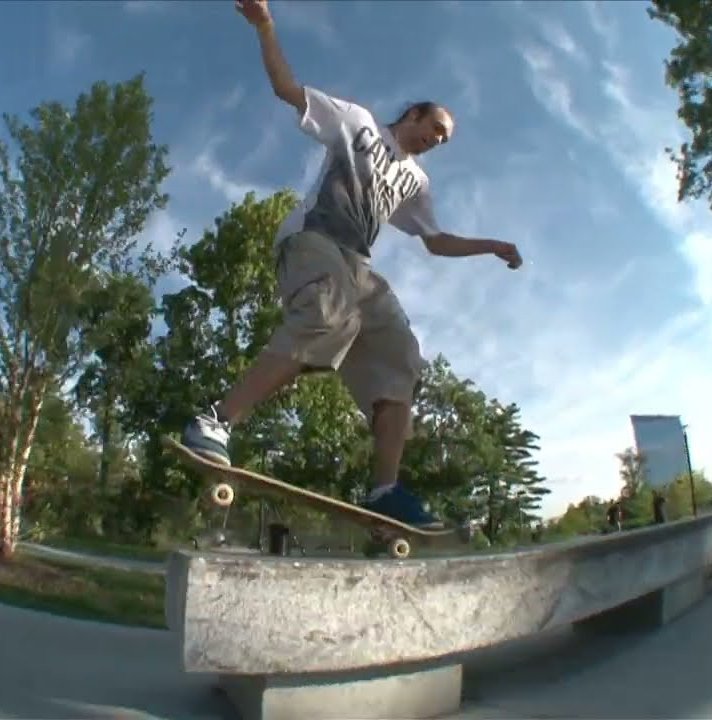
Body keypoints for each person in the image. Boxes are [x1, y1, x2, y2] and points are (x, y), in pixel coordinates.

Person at [180, 0, 523, 529]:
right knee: (330, 315)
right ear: (413, 115)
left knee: (402, 355)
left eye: (444, 140)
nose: (436, 141)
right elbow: (287, 90)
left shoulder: (417, 183)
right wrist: (266, 27)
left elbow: (435, 240)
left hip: (359, 264)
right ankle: (217, 419)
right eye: (434, 128)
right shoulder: (358, 125)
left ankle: (385, 489)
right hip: (314, 240)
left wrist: (491, 244)